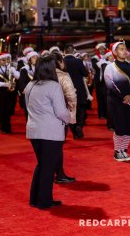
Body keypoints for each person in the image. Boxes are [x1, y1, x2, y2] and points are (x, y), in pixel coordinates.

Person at [25, 55, 71, 209]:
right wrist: (68, 118)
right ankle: (44, 201)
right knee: (48, 167)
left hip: (34, 130)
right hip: (50, 131)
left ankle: (36, 198)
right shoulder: (53, 86)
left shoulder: (30, 85)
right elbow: (60, 111)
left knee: (42, 165)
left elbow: (28, 107)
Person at [104, 40, 130, 161]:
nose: (125, 51)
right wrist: (123, 96)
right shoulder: (110, 67)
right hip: (116, 101)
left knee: (129, 127)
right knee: (120, 127)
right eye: (121, 49)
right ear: (115, 52)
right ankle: (117, 151)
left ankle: (124, 150)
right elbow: (110, 85)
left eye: (125, 49)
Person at [52, 52, 77, 183]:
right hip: (61, 114)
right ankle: (59, 174)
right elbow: (71, 96)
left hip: (46, 116)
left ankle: (50, 172)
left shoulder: (43, 76)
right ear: (60, 62)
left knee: (49, 147)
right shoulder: (63, 76)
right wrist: (71, 116)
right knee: (58, 146)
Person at [63, 44, 88, 138]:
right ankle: (79, 126)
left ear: (64, 51)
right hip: (79, 90)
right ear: (73, 51)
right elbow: (85, 74)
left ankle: (74, 131)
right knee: (81, 110)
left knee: (70, 111)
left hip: (67, 89)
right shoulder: (78, 61)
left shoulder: (62, 62)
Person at [18, 51, 39, 119]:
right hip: (29, 96)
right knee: (29, 116)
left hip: (39, 96)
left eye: (37, 57)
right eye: (33, 57)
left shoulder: (41, 68)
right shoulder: (24, 69)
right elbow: (22, 84)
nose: (36, 59)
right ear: (29, 60)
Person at [92, 43, 107, 119]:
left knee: (106, 98)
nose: (102, 50)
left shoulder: (108, 57)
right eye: (100, 49)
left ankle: (107, 114)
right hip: (99, 80)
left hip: (107, 80)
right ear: (98, 50)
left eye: (103, 49)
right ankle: (101, 114)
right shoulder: (94, 58)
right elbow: (96, 67)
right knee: (99, 97)